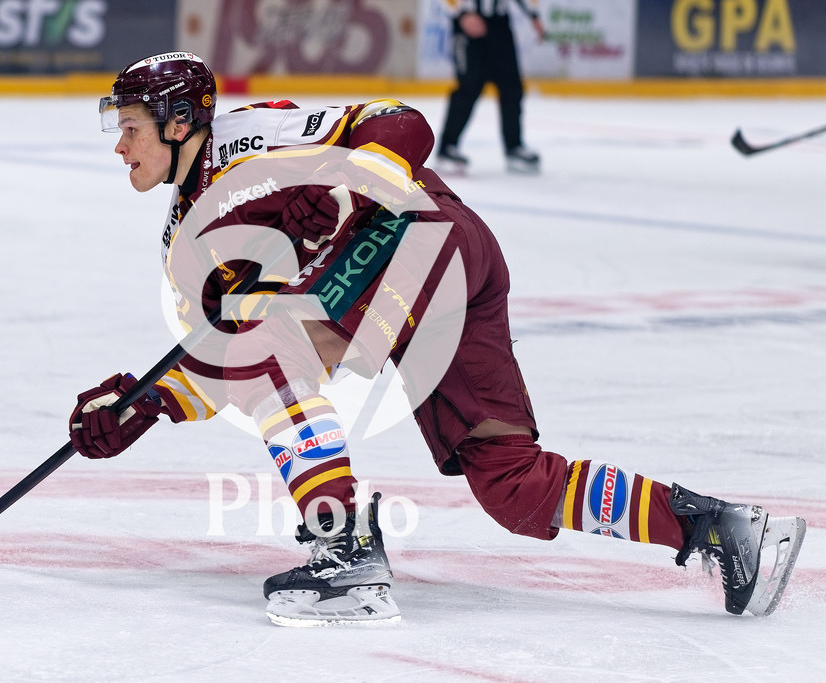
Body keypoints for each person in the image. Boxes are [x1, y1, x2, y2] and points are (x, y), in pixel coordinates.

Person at [68, 51, 806, 627]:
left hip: (420, 234)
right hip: (445, 271)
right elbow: (226, 355)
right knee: (511, 484)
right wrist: (145, 402)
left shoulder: (253, 136)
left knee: (274, 349)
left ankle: (342, 547)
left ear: (178, 123)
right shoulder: (186, 245)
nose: (120, 147)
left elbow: (402, 124)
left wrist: (347, 190)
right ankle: (719, 528)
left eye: (130, 128)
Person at [437, 0, 546, 173]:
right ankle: (447, 147)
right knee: (469, 87)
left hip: (499, 24)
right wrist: (461, 14)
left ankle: (514, 146)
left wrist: (533, 14)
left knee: (511, 86)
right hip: (468, 23)